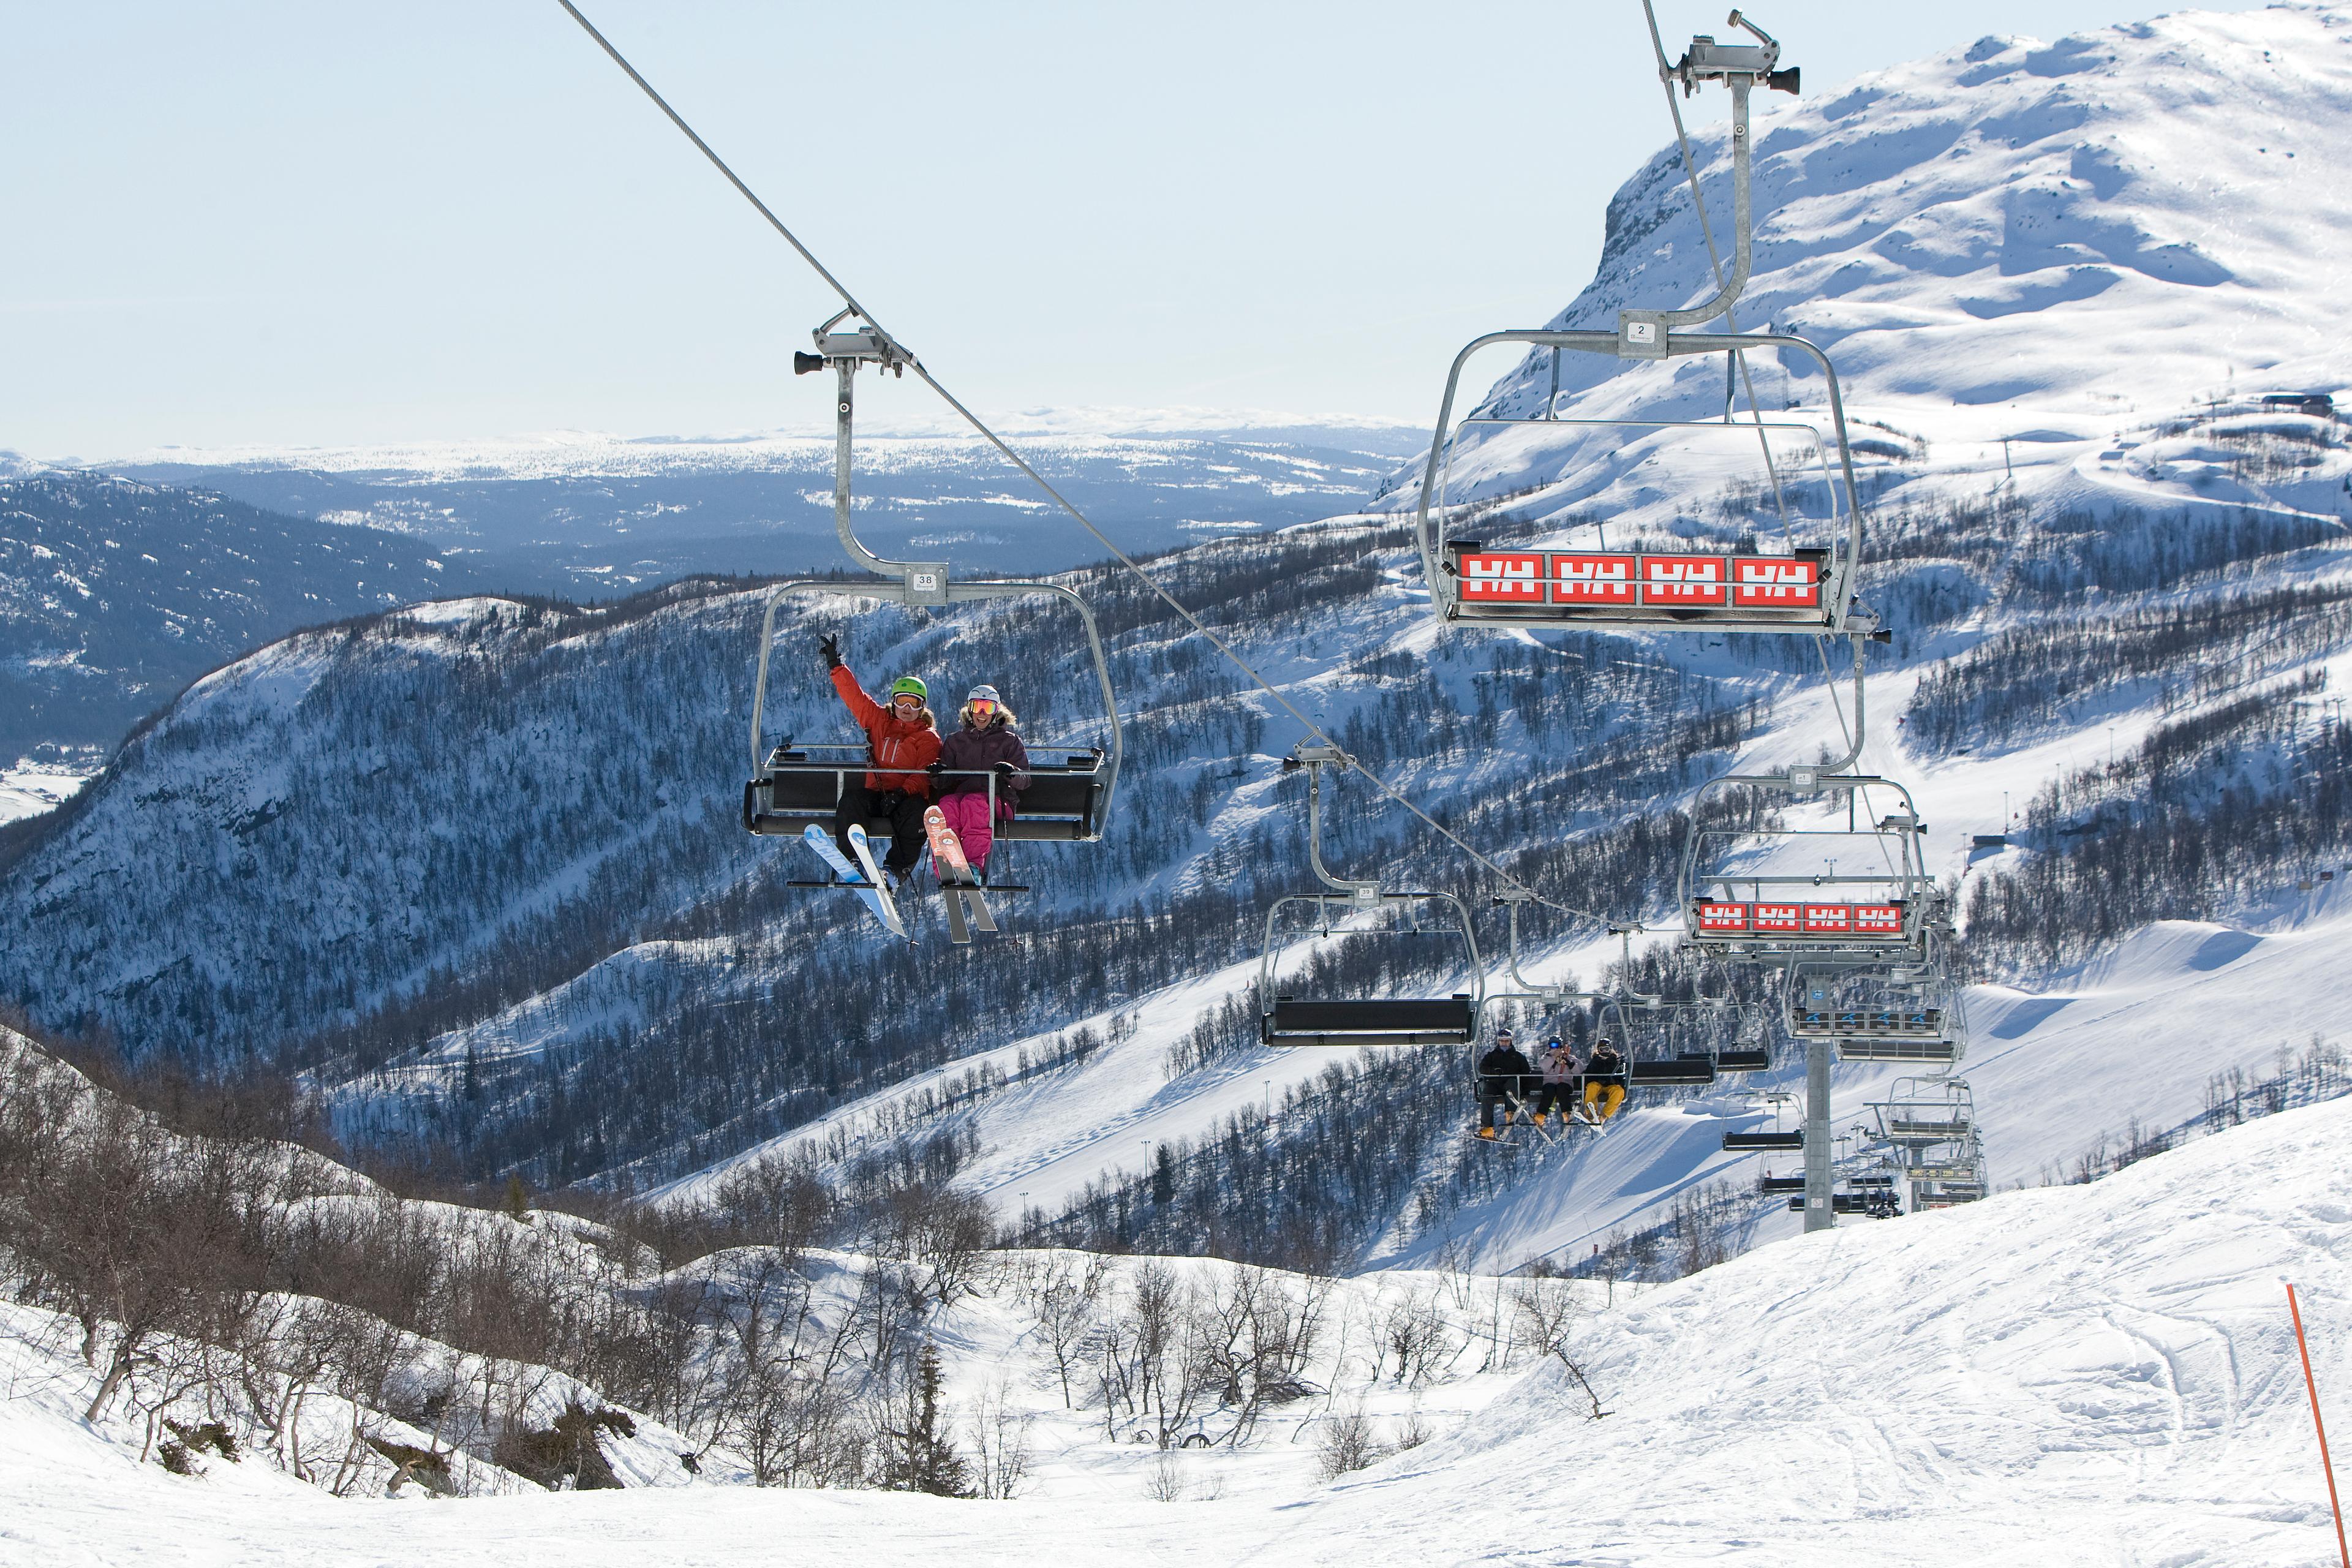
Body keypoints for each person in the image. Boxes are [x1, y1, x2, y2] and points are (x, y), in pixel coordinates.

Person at [821, 633, 941, 884]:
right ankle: (851, 859)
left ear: (922, 708)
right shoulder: (879, 721)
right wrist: (837, 667)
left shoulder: (927, 738)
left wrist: (902, 793)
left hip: (905, 799)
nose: (907, 709)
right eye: (902, 702)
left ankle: (895, 871)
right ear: (893, 702)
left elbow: (924, 774)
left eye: (914, 704)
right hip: (877, 795)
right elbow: (856, 699)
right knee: (852, 801)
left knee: (917, 812)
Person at [927, 683, 1030, 875]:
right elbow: (945, 782)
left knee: (973, 803)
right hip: (963, 799)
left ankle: (973, 866)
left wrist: (1011, 773)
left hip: (999, 802)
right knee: (947, 805)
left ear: (996, 712)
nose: (982, 714)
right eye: (977, 707)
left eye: (988, 708)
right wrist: (937, 774)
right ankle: (946, 865)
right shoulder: (956, 741)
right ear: (969, 710)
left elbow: (1025, 780)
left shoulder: (1009, 741)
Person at [1474, 1028, 1536, 1140]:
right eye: (1502, 1041)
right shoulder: (1492, 1056)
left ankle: (1510, 1113)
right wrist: (1494, 1071)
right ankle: (1487, 1127)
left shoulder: (1517, 1056)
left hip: (1511, 1085)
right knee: (1487, 1093)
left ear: (1511, 1041)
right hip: (1496, 1084)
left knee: (1512, 1083)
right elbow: (1483, 1068)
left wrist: (1526, 1090)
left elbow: (1526, 1073)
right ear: (1498, 1041)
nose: (1504, 1043)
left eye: (1507, 1041)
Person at [1531, 1036, 1578, 1129]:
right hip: (1550, 1084)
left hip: (1565, 1084)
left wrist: (1568, 1063)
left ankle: (1567, 1114)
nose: (1554, 1048)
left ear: (1561, 1046)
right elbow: (1544, 1067)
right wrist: (1554, 1059)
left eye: (1556, 1046)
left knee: (1562, 1088)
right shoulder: (1546, 1058)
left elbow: (1579, 1070)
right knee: (1549, 1090)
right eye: (1552, 1046)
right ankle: (1540, 1116)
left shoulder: (1569, 1057)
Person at [1581, 1036, 1629, 1125]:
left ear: (1610, 1049)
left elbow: (1621, 1079)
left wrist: (1619, 1068)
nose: (1604, 1051)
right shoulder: (1595, 1061)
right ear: (1599, 1050)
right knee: (1592, 1087)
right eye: (1602, 1049)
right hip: (1598, 1086)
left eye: (1606, 1049)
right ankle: (1591, 1114)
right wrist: (1599, 1079)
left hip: (1610, 1086)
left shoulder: (1615, 1062)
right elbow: (1588, 1077)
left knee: (1619, 1091)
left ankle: (1603, 1116)